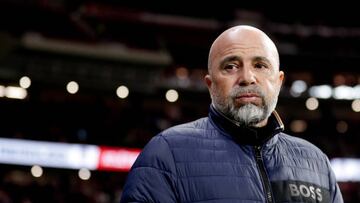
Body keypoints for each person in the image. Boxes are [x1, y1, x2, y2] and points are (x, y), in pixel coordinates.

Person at [120, 25, 343, 203]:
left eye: (260, 65)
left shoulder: (316, 163)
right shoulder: (164, 155)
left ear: (278, 81)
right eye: (230, 66)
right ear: (210, 84)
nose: (247, 77)